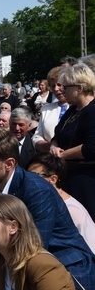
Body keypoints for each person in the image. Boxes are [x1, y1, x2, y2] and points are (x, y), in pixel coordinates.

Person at [0, 128, 95, 290]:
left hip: (69, 275)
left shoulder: (37, 191)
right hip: (27, 275)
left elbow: (34, 250)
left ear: (9, 164)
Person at [50, 63, 95, 220]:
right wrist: (53, 145)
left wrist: (62, 155)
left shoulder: (92, 111)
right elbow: (58, 134)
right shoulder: (72, 110)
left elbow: (91, 148)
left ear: (80, 88)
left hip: (86, 181)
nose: (61, 90)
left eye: (66, 87)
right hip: (68, 176)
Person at [27, 153, 95, 255]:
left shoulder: (72, 210)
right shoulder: (38, 203)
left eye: (34, 176)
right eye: (27, 175)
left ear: (53, 179)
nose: (28, 180)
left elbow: (90, 251)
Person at [33, 66, 68, 152]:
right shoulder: (46, 109)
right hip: (51, 158)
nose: (56, 89)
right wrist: (47, 146)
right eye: (53, 86)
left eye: (59, 85)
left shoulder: (79, 107)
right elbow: (36, 137)